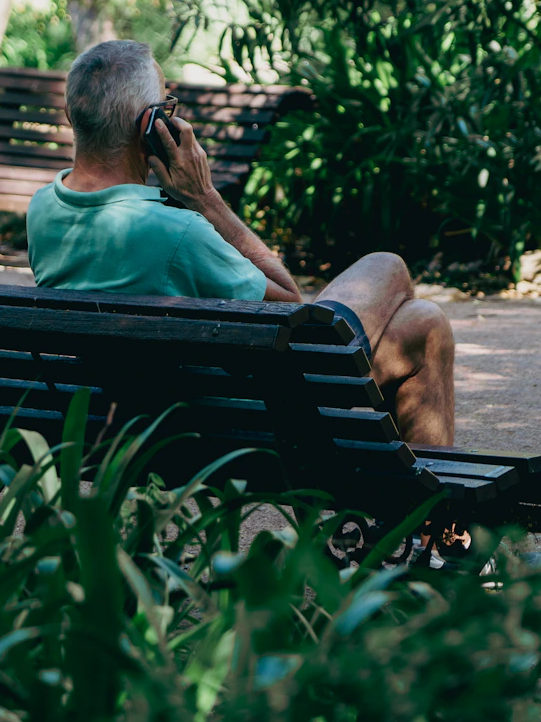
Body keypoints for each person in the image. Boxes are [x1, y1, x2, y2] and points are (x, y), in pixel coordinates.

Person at [26, 39, 455, 446]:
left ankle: (438, 523)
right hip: (236, 419)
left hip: (116, 408)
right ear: (151, 126)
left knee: (424, 325)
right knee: (388, 266)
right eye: (167, 108)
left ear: (71, 116)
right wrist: (206, 199)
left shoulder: (43, 209)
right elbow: (290, 304)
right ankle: (433, 519)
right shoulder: (175, 234)